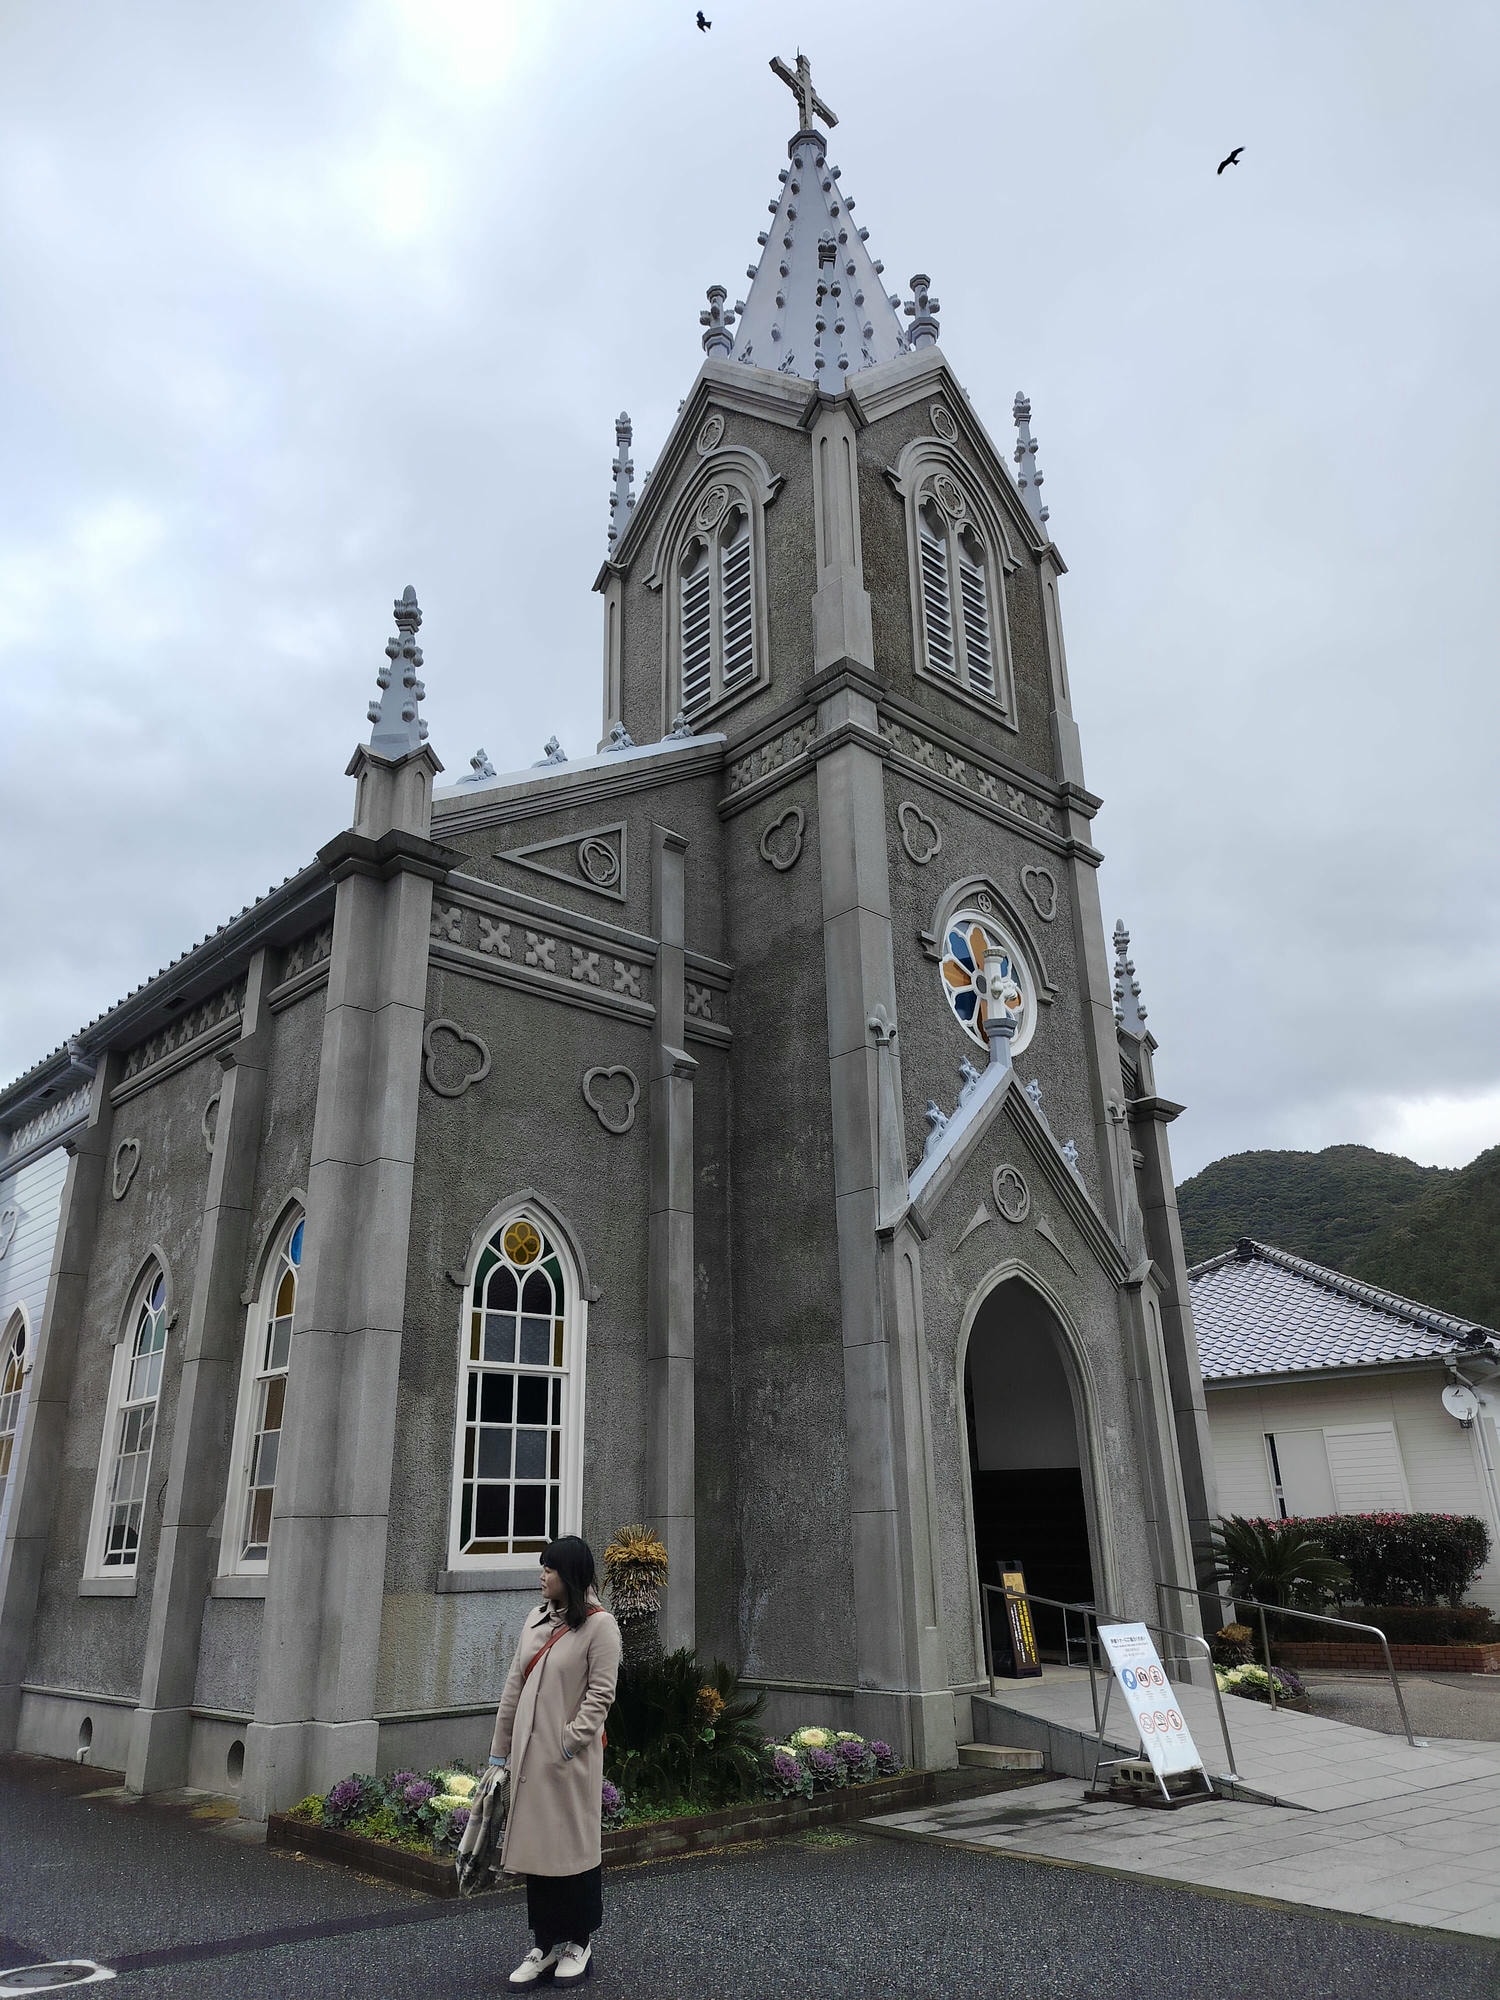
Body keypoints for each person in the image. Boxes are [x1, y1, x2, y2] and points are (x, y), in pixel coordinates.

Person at [490, 1536, 622, 1989]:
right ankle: (544, 1944)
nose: (541, 1576)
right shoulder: (535, 1619)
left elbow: (600, 1696)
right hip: (528, 1761)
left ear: (569, 1575)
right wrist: (499, 1749)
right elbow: (514, 1686)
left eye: (548, 1568)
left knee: (573, 1851)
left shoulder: (601, 1627)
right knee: (537, 1851)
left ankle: (578, 1943)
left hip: (569, 1763)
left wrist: (568, 1743)